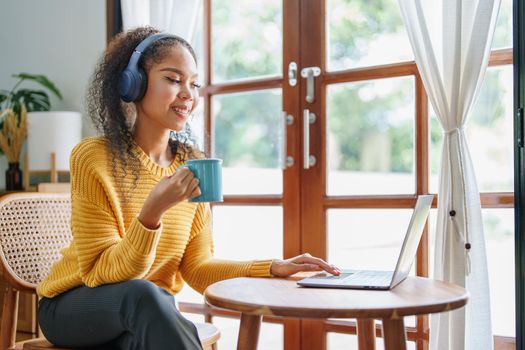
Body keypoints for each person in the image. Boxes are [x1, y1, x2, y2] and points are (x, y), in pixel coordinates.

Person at [36, 26, 341, 350]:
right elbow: (102, 273)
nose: (189, 94)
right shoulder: (93, 157)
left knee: (144, 329)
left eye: (194, 84)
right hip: (71, 307)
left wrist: (271, 267)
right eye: (173, 79)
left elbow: (197, 269)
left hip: (145, 312)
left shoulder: (192, 164)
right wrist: (152, 212)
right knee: (145, 296)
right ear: (133, 83)